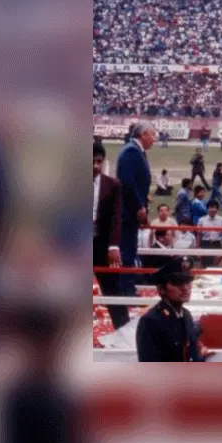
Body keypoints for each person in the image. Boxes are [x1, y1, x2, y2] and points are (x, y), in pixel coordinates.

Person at [135, 257, 213, 362]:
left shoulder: (186, 315)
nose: (185, 288)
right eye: (178, 283)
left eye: (187, 282)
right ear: (162, 289)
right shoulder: (151, 321)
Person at [93, 141, 130, 330]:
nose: (96, 166)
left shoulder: (113, 185)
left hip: (102, 245)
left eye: (99, 161)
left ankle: (124, 333)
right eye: (92, 161)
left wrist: (113, 246)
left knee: (113, 290)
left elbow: (116, 217)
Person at [116, 123, 155, 294]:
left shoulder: (136, 151)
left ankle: (127, 287)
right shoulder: (132, 151)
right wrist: (139, 206)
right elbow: (127, 181)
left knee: (130, 250)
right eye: (153, 135)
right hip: (129, 212)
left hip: (131, 210)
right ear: (144, 134)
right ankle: (126, 289)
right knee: (127, 251)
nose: (154, 139)